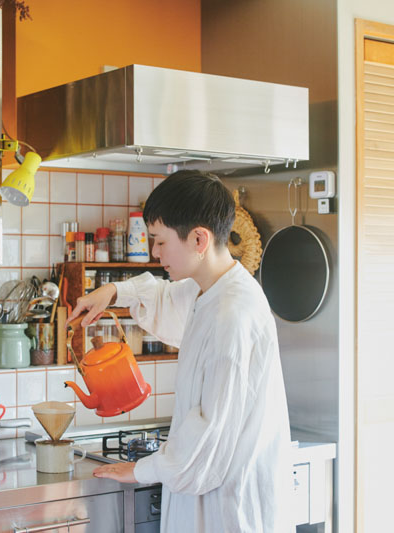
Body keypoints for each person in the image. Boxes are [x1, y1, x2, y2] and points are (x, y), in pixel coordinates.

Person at [67, 170, 293, 532]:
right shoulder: (211, 289)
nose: (155, 253)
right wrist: (111, 293)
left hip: (229, 510)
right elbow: (167, 297)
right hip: (214, 501)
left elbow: (210, 429)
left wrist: (143, 469)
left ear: (199, 239)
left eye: (160, 241)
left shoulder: (232, 314)